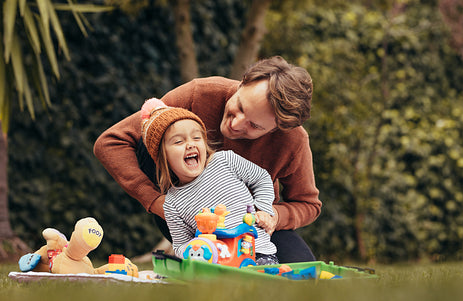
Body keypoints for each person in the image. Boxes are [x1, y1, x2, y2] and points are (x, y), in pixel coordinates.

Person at [94, 56, 322, 263]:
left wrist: (272, 216)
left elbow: (308, 204)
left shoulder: (293, 140)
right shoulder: (200, 94)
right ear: (242, 83)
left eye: (254, 125)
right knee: (154, 132)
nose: (235, 124)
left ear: (276, 129)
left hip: (252, 224)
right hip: (189, 214)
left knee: (303, 272)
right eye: (239, 107)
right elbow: (110, 142)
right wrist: (155, 201)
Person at [140, 98, 278, 265]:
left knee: (261, 283)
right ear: (163, 157)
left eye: (196, 138)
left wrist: (263, 208)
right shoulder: (172, 203)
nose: (190, 144)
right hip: (216, 261)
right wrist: (197, 246)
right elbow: (180, 245)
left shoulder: (225, 160)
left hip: (256, 250)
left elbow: (262, 178)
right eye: (178, 141)